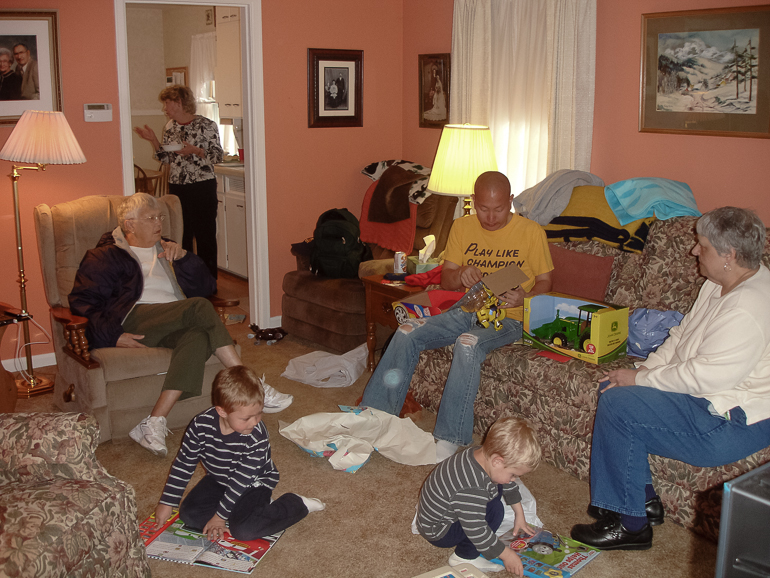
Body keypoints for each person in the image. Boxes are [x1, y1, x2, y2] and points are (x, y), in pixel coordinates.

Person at [571, 206, 770, 551]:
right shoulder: (718, 282)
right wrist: (642, 372)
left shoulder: (749, 307)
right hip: (708, 399)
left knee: (620, 405)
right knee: (617, 390)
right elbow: (681, 336)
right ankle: (643, 502)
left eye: (702, 245)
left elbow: (705, 377)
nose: (694, 251)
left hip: (732, 420)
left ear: (729, 255)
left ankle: (629, 525)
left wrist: (640, 382)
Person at [68, 193, 293, 456]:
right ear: (129, 224)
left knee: (198, 334)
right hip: (135, 316)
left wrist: (185, 257)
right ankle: (251, 383)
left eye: (160, 216)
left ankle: (153, 421)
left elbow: (207, 287)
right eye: (150, 218)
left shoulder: (169, 248)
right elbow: (82, 303)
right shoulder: (104, 256)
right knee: (198, 307)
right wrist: (113, 336)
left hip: (175, 317)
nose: (158, 222)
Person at [360, 171, 553, 462]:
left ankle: (449, 438)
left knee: (467, 343)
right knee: (407, 330)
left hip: (510, 317)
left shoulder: (531, 232)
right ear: (473, 201)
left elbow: (546, 283)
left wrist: (525, 298)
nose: (490, 217)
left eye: (499, 209)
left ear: (511, 201)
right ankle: (375, 416)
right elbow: (447, 280)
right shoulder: (462, 227)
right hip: (467, 307)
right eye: (483, 209)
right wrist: (460, 273)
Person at [152, 366, 325, 541]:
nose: (255, 422)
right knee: (189, 515)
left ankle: (296, 503)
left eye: (259, 414)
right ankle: (247, 511)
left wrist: (219, 518)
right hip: (218, 479)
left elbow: (242, 480)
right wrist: (167, 502)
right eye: (246, 418)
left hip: (254, 483)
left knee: (244, 531)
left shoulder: (257, 436)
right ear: (222, 411)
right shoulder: (200, 426)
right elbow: (184, 463)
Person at [416, 417, 541, 575]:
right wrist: (506, 554)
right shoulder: (471, 487)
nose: (514, 479)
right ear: (497, 461)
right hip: (439, 531)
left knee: (499, 484)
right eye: (513, 474)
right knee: (496, 511)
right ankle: (464, 557)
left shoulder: (481, 454)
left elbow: (507, 483)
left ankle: (467, 550)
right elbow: (477, 530)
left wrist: (519, 513)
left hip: (443, 513)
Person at [134, 85, 223, 279]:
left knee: (205, 235)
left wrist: (196, 150)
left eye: (167, 103)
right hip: (177, 187)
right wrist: (153, 140)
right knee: (181, 234)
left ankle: (209, 280)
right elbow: (166, 158)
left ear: (179, 102)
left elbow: (217, 156)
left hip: (202, 186)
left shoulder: (206, 125)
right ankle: (184, 279)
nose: (165, 108)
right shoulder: (170, 127)